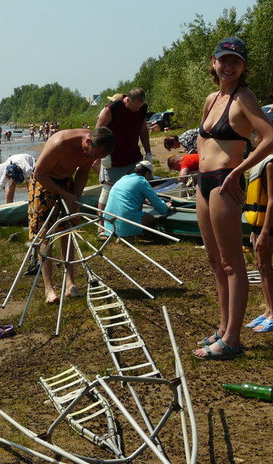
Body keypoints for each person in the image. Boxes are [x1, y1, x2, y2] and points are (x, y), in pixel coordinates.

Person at [193, 37, 273, 359]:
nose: (228, 66)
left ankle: (232, 339)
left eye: (235, 61)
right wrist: (193, 166)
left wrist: (238, 169)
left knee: (231, 264)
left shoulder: (244, 98)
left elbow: (271, 139)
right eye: (223, 60)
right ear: (214, 63)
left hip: (225, 183)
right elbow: (203, 142)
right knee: (215, 261)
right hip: (203, 182)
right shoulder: (211, 99)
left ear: (243, 68)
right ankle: (223, 327)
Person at [28, 127, 115, 304]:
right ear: (88, 142)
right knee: (46, 235)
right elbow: (39, 173)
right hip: (44, 183)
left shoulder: (91, 150)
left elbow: (82, 172)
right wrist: (64, 194)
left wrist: (75, 197)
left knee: (69, 230)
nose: (93, 159)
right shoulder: (59, 143)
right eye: (93, 155)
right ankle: (49, 289)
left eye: (97, 157)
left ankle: (70, 283)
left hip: (67, 183)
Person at [244, 112, 273, 333]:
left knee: (265, 266)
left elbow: (272, 200)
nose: (255, 136)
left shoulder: (272, 163)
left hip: (267, 225)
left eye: (258, 132)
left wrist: (263, 232)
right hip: (259, 223)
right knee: (260, 266)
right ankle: (268, 311)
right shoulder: (264, 160)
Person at [95, 88, 152, 238]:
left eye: (140, 107)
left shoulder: (141, 110)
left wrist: (148, 152)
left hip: (133, 155)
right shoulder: (112, 109)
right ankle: (101, 227)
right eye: (135, 107)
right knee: (107, 190)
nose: (137, 110)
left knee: (137, 188)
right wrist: (103, 155)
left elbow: (143, 130)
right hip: (113, 157)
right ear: (128, 100)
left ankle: (134, 224)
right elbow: (98, 129)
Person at [102, 160, 171, 238]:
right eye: (150, 177)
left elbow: (126, 195)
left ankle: (121, 234)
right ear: (148, 174)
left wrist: (144, 201)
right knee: (150, 218)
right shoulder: (142, 181)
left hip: (109, 224)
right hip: (124, 222)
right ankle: (136, 234)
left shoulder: (124, 178)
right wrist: (165, 206)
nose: (149, 180)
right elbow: (158, 205)